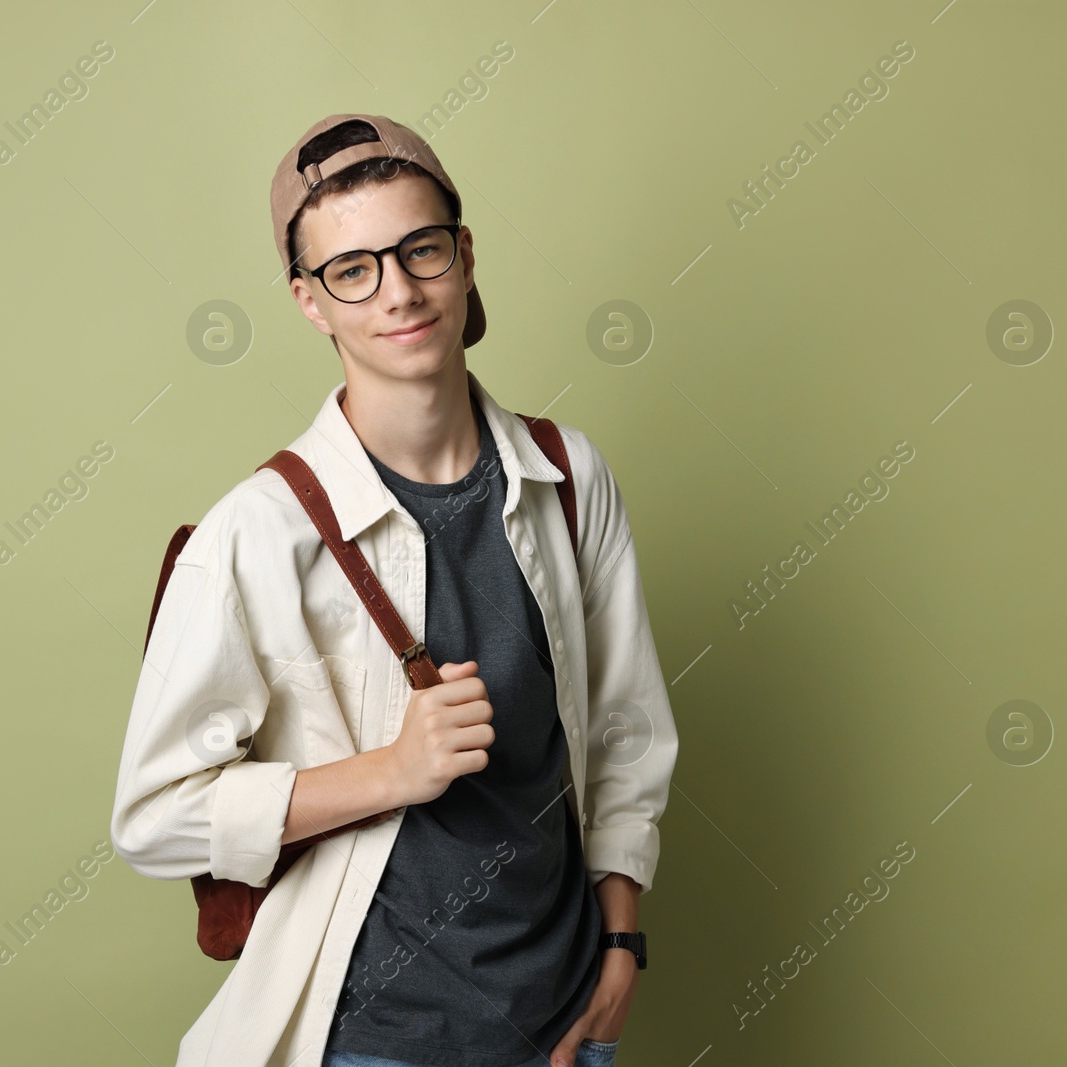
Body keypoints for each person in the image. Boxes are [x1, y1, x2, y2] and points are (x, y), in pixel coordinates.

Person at [110, 113, 678, 1067]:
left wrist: (621, 945)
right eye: (352, 269)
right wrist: (389, 772)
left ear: (462, 255)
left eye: (420, 251)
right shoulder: (257, 530)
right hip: (374, 1038)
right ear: (310, 300)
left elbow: (626, 729)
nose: (398, 293)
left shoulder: (567, 477)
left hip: (568, 1024)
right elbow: (152, 819)